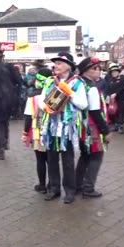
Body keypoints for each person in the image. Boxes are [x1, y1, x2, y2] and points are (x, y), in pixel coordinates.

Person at [38, 52, 88, 204]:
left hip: (68, 129)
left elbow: (83, 104)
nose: (56, 66)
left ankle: (70, 191)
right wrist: (46, 108)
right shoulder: (49, 81)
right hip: (52, 127)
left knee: (67, 161)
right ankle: (54, 189)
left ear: (68, 66)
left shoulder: (78, 83)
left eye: (59, 63)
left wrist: (70, 93)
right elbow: (41, 101)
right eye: (55, 63)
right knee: (51, 158)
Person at [75, 57, 111, 198]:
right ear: (86, 71)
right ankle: (88, 187)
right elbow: (95, 112)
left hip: (81, 125)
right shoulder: (92, 87)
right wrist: (105, 131)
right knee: (96, 155)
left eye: (99, 68)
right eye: (95, 68)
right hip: (92, 127)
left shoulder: (78, 84)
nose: (99, 71)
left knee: (85, 156)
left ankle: (77, 184)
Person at [22, 67, 52, 194]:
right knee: (51, 159)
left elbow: (28, 117)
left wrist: (25, 133)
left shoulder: (32, 97)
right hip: (52, 131)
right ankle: (52, 184)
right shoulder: (54, 94)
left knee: (40, 159)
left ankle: (42, 185)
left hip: (38, 132)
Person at [107, 63, 124, 134]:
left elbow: (123, 87)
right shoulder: (110, 79)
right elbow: (109, 88)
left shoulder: (123, 78)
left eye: (115, 72)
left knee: (121, 111)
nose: (114, 73)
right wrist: (110, 95)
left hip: (121, 98)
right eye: (112, 72)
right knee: (114, 111)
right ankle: (116, 124)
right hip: (113, 99)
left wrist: (116, 93)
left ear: (118, 72)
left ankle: (120, 126)